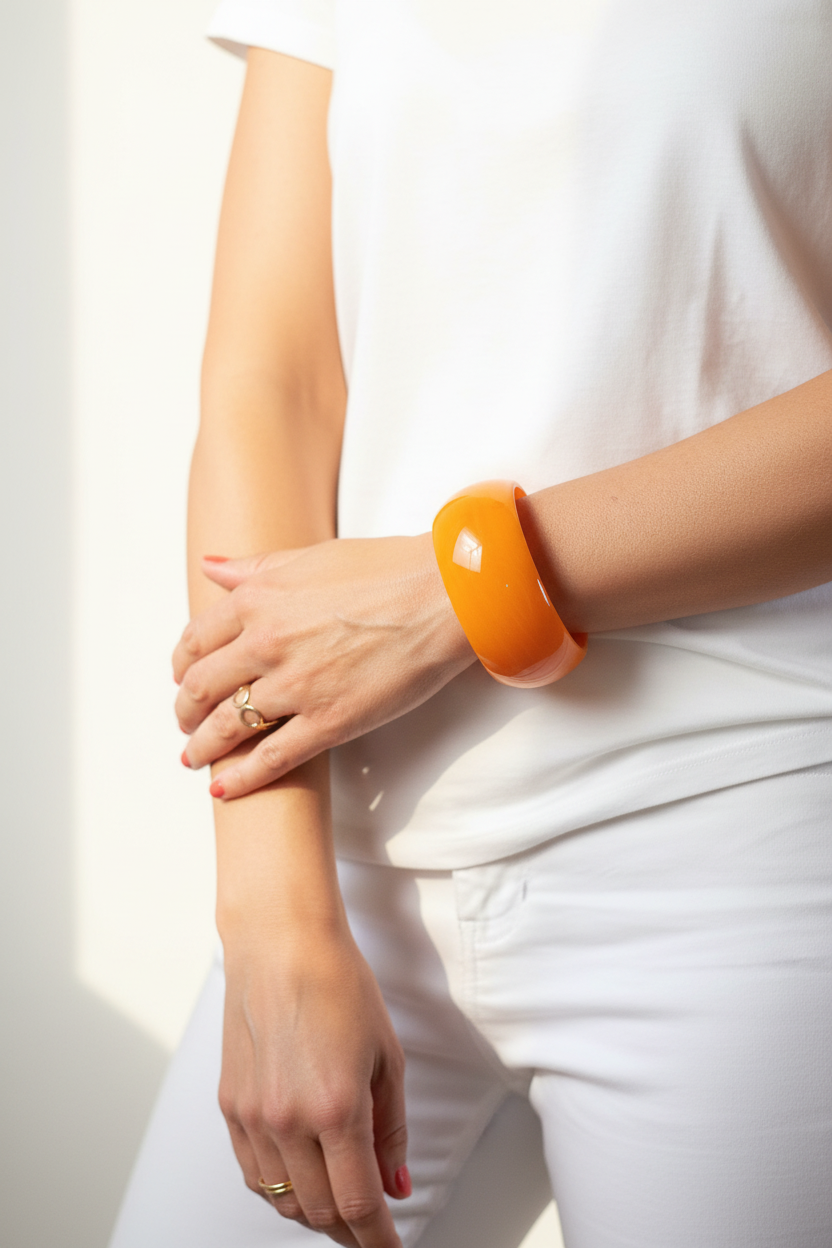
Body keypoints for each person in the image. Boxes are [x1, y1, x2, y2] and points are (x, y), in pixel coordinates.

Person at [109, 2, 832, 1246]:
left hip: (749, 839)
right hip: (353, 868)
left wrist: (464, 587)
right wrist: (271, 913)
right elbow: (270, 386)